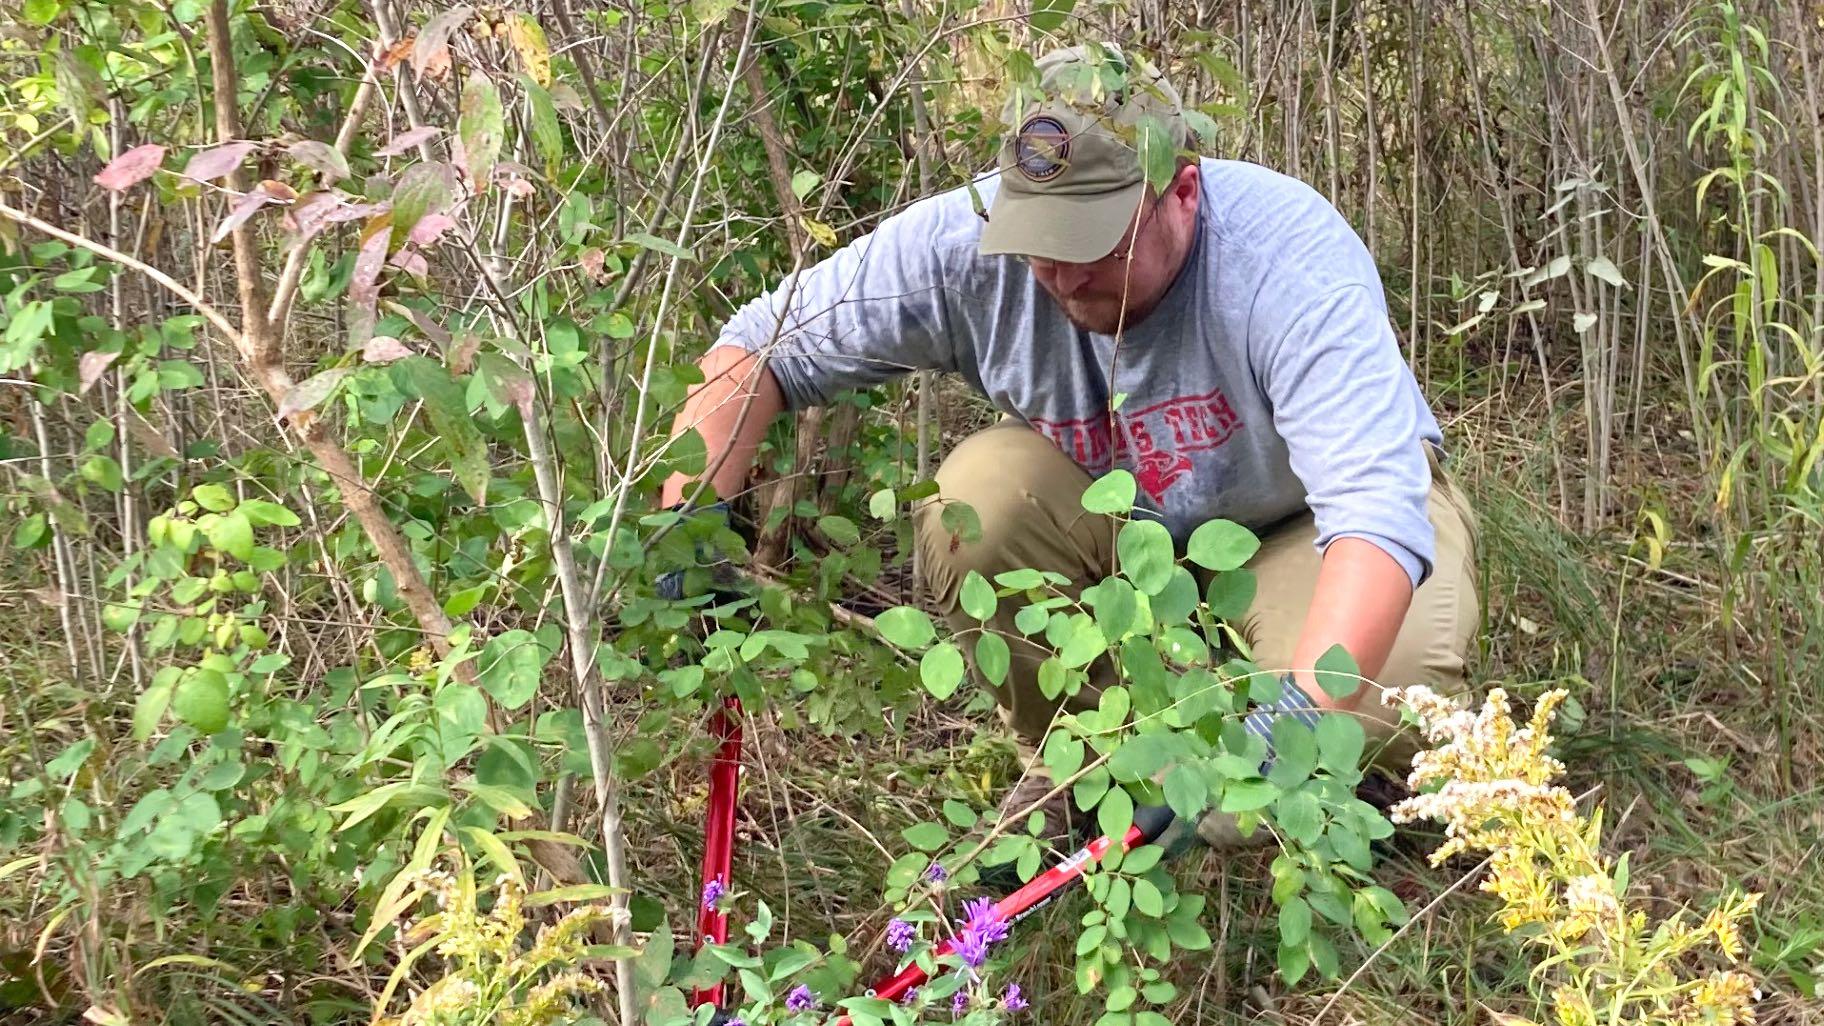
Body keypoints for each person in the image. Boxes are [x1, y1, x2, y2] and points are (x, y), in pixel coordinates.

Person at [658, 43, 1479, 853]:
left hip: (1301, 527)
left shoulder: (1283, 258)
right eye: (1039, 237)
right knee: (975, 502)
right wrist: (687, 527)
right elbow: (762, 345)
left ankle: (1332, 791)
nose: (1059, 272)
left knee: (1376, 689)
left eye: (1093, 241)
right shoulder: (969, 245)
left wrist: (1297, 719)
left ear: (1182, 190)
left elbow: (1375, 517)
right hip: (1119, 538)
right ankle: (1086, 773)